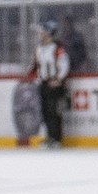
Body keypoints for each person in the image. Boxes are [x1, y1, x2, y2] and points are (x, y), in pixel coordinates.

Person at [30, 20, 69, 148]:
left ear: (49, 32)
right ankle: (49, 137)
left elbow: (64, 65)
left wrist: (59, 79)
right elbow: (36, 66)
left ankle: (56, 138)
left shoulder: (57, 48)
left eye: (43, 31)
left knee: (54, 112)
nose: (40, 33)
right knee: (45, 112)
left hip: (54, 84)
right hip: (44, 84)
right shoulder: (39, 48)